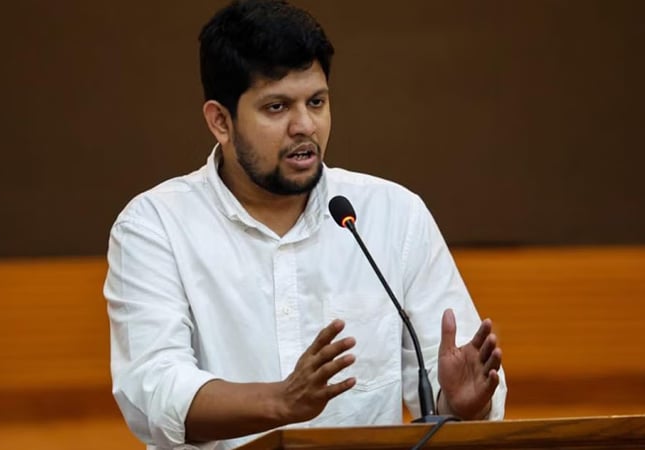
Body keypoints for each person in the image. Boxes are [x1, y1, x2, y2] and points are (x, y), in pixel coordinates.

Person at [104, 1, 507, 449]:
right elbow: (154, 391)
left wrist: (465, 406)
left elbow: (453, 382)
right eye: (276, 107)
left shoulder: (394, 216)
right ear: (221, 121)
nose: (305, 126)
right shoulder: (155, 226)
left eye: (316, 102)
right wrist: (281, 402)